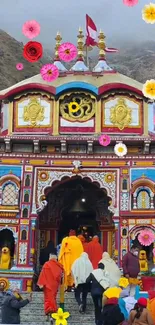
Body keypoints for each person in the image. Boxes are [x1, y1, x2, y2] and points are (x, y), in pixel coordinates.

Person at [37, 253, 63, 320]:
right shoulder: (59, 266)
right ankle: (52, 313)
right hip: (55, 285)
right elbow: (60, 276)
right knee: (53, 297)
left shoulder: (47, 264)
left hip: (48, 285)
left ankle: (50, 312)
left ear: (50, 258)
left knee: (48, 299)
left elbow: (43, 274)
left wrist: (41, 283)